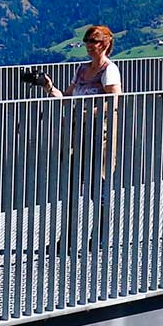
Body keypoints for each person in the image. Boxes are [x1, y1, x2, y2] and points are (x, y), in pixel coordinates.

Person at [42, 24, 122, 251]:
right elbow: (67, 97)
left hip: (100, 137)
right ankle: (67, 239)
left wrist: (87, 111)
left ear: (104, 44)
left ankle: (100, 240)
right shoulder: (81, 70)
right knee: (71, 187)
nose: (88, 45)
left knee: (99, 189)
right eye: (87, 40)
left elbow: (114, 101)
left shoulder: (109, 70)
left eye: (93, 41)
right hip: (78, 136)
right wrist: (49, 87)